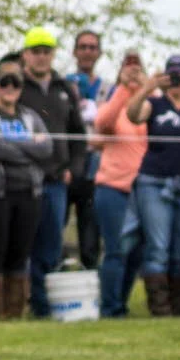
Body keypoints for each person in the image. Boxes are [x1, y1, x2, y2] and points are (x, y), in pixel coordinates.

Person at [126, 53, 180, 317]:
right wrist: (146, 88)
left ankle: (179, 308)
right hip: (154, 183)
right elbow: (133, 116)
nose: (176, 80)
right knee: (158, 247)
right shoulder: (155, 103)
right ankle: (160, 310)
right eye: (172, 74)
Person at [14, 28, 89, 317]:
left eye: (47, 51)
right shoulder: (16, 86)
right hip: (23, 180)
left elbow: (78, 136)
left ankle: (44, 306)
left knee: (51, 243)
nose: (42, 56)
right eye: (36, 51)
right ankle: (16, 305)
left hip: (57, 180)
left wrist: (74, 168)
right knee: (22, 243)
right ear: (26, 55)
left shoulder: (64, 88)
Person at [0, 59, 57, 319]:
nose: (10, 87)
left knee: (20, 253)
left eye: (15, 83)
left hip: (29, 192)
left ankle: (14, 314)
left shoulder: (30, 117)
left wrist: (12, 147)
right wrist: (27, 148)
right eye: (4, 82)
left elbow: (47, 149)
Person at [90, 52, 152, 317]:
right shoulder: (114, 101)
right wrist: (123, 89)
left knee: (137, 254)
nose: (133, 73)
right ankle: (110, 308)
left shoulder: (152, 105)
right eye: (128, 70)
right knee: (116, 250)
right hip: (113, 188)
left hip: (145, 192)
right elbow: (102, 123)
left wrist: (148, 87)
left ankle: (122, 304)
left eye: (138, 69)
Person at [67, 30, 108, 269]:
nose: (87, 52)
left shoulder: (108, 88)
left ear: (99, 52)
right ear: (74, 52)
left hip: (97, 166)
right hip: (67, 164)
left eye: (92, 47)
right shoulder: (62, 84)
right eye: (83, 47)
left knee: (91, 232)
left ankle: (91, 288)